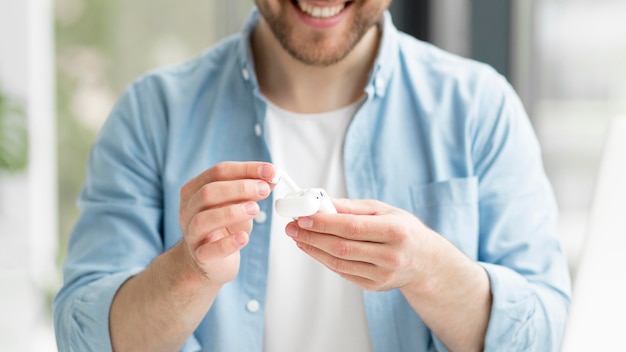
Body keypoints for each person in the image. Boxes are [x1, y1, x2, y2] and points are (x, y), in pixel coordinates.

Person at [53, 1, 571, 351]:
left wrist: (428, 270)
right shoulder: (153, 114)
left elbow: (541, 333)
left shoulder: (480, 107)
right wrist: (189, 272)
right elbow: (81, 334)